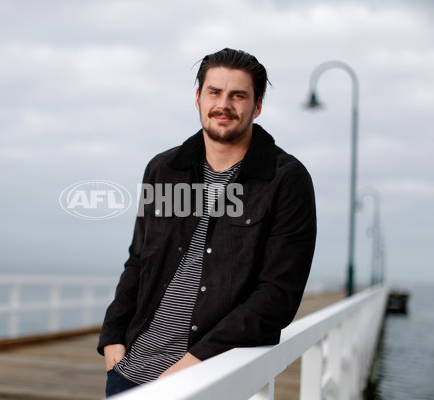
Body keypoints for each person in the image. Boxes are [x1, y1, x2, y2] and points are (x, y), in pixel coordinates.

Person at [98, 48, 317, 397]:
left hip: (211, 373)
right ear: (198, 98)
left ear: (257, 106)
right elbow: (139, 260)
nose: (223, 105)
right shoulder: (163, 170)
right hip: (131, 372)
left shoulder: (286, 180)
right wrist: (111, 337)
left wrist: (196, 360)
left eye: (238, 95)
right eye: (214, 92)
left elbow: (278, 295)